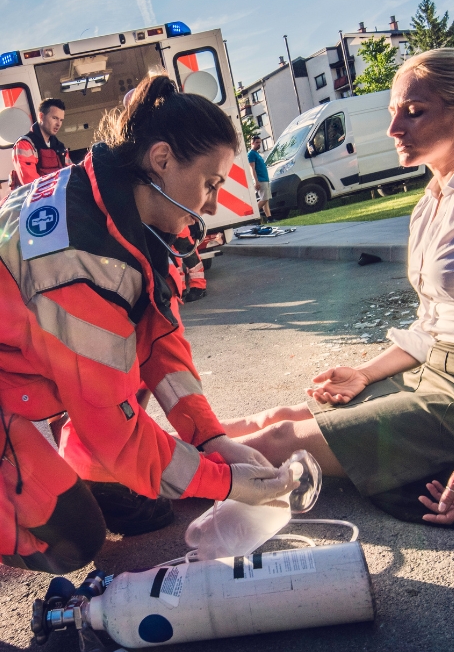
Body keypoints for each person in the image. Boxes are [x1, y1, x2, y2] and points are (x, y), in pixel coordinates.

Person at [222, 48, 454, 528]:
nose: (394, 128)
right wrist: (365, 372)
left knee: (276, 443)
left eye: (414, 112)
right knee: (274, 417)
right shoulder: (433, 200)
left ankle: (129, 482)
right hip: (432, 368)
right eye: (393, 112)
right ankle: (135, 461)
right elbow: (432, 324)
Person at [0, 74, 294, 574]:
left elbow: (160, 335)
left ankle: (89, 470)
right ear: (161, 160)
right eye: (210, 183)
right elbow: (114, 427)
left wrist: (209, 438)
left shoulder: (117, 207)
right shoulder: (81, 258)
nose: (211, 205)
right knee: (72, 542)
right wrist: (222, 482)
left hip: (27, 369)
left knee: (145, 477)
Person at [10, 98, 70, 189]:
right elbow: (31, 183)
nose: (58, 124)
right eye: (54, 118)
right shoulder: (24, 145)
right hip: (36, 200)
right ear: (41, 116)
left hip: (58, 196)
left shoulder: (60, 147)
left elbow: (70, 174)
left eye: (61, 120)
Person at [248, 134, 274, 223]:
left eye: (260, 142)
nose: (259, 144)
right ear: (252, 143)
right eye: (257, 142)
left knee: (266, 201)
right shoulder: (251, 154)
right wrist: (256, 181)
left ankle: (269, 218)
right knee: (264, 198)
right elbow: (252, 168)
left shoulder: (257, 154)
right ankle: (252, 215)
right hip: (260, 180)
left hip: (265, 179)